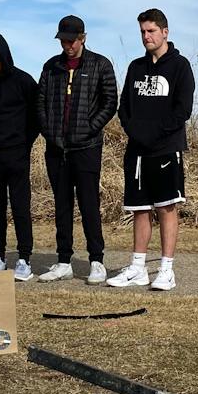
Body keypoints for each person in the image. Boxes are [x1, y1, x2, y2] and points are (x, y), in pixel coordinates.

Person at [107, 8, 195, 291]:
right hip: (137, 151)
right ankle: (137, 267)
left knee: (166, 208)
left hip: (167, 149)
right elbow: (124, 107)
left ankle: (166, 270)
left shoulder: (180, 66)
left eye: (151, 31)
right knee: (140, 209)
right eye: (143, 32)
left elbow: (182, 111)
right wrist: (135, 132)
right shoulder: (135, 67)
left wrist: (155, 134)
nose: (146, 36)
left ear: (165, 32)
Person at [36, 15, 117, 283]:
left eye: (72, 40)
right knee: (61, 206)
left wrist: (90, 127)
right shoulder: (51, 67)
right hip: (57, 149)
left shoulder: (100, 64)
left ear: (83, 38)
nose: (67, 45)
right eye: (63, 40)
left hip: (87, 147)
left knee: (89, 204)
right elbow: (40, 102)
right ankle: (63, 261)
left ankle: (96, 260)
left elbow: (110, 102)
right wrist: (49, 132)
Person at [0, 34, 39, 281]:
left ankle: (24, 259)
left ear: (4, 57)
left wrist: (24, 144)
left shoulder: (23, 81)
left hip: (17, 154)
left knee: (21, 207)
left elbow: (36, 117)